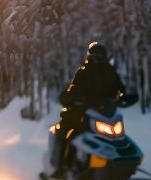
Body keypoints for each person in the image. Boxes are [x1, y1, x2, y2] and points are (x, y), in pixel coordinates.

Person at [54, 41, 127, 170]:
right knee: (68, 132)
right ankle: (62, 167)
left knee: (119, 137)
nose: (97, 60)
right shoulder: (85, 72)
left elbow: (121, 89)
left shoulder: (109, 72)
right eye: (95, 57)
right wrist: (70, 98)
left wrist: (124, 98)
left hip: (105, 114)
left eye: (99, 57)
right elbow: (73, 89)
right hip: (86, 111)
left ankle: (124, 162)